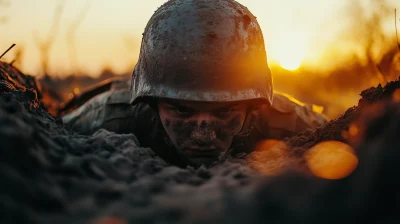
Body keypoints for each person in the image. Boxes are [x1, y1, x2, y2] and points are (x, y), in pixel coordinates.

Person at [62, 0, 327, 168]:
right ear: (151, 103)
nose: (204, 136)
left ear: (252, 106)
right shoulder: (108, 118)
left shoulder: (286, 121)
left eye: (224, 112)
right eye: (182, 111)